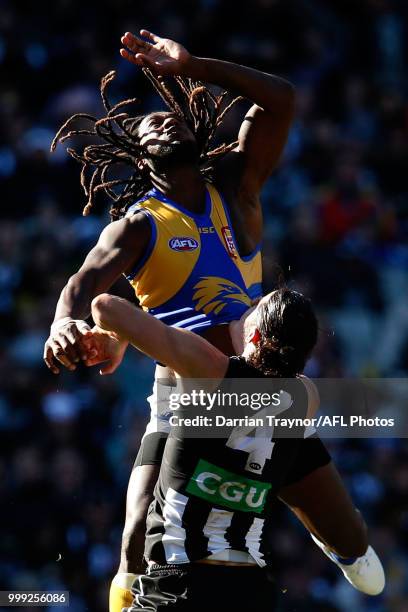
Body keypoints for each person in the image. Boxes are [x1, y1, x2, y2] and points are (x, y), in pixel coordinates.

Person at [44, 29, 296, 611]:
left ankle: (347, 546)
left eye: (171, 116)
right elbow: (83, 285)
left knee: (285, 505)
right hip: (183, 393)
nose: (162, 122)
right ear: (136, 153)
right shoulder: (137, 226)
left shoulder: (235, 185)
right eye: (148, 124)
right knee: (136, 537)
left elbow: (280, 100)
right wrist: (63, 321)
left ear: (194, 125)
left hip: (252, 383)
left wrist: (195, 65)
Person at [87, 288, 385, 611]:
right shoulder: (306, 397)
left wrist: (126, 337)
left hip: (180, 583)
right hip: (250, 589)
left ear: (254, 333)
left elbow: (104, 307)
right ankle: (343, 546)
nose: (245, 309)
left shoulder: (208, 369)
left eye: (253, 308)